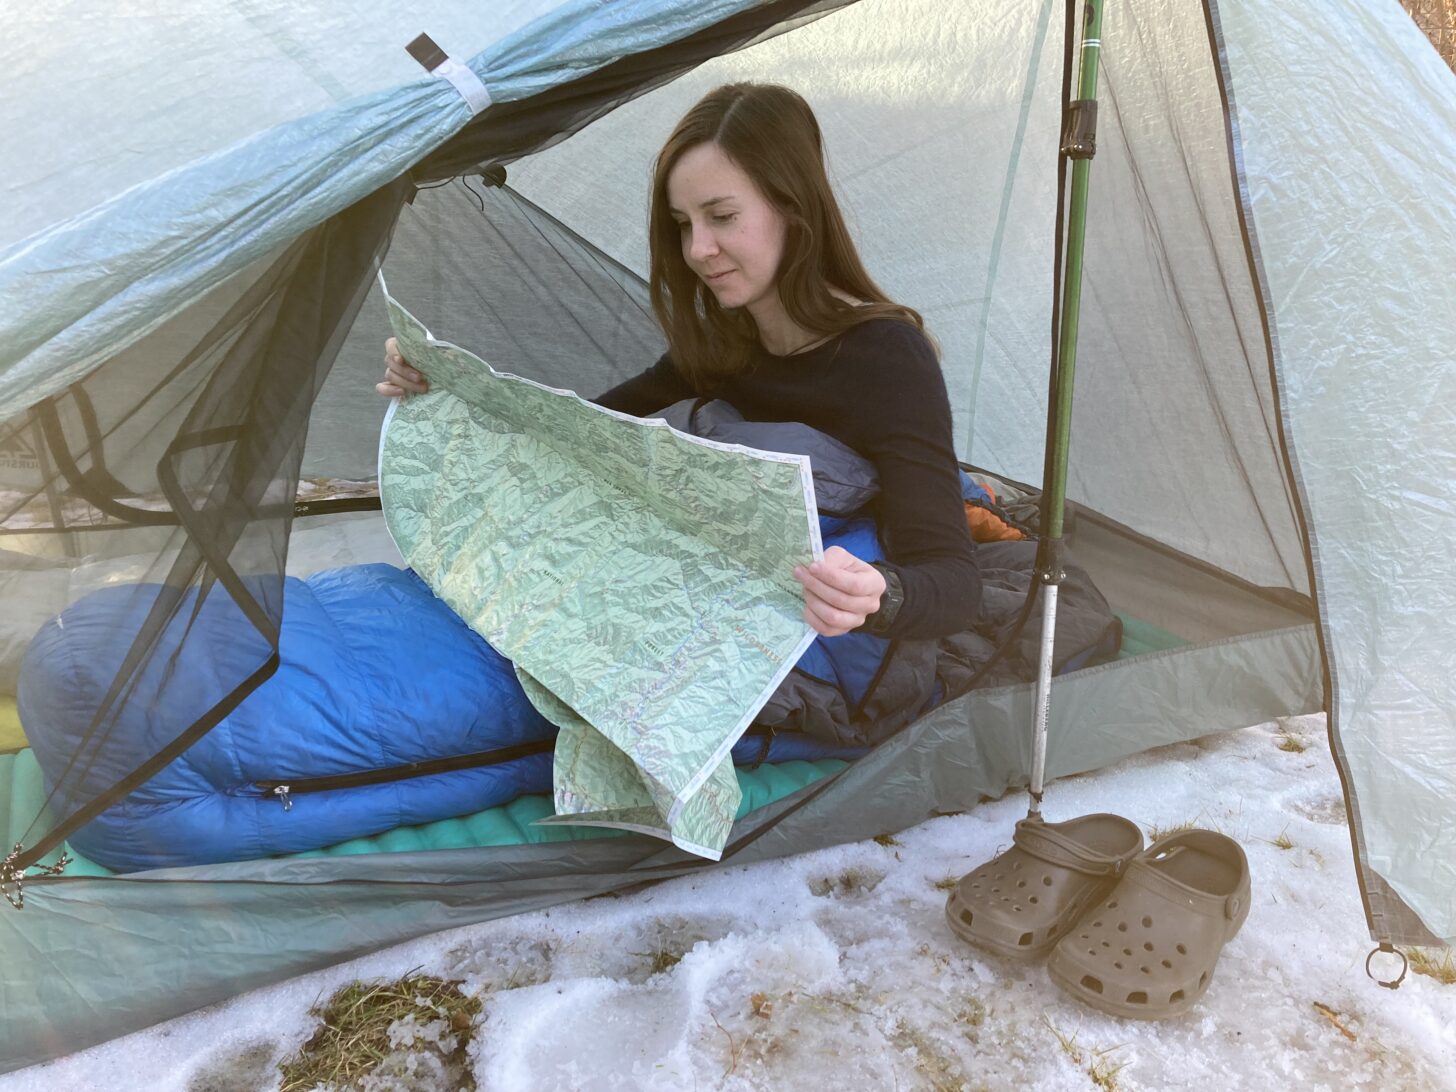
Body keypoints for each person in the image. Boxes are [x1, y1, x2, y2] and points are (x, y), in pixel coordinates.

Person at [379, 82, 979, 640]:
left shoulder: (886, 357)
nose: (697, 250)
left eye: (722, 217)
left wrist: (879, 593)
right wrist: (442, 386)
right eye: (683, 224)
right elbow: (580, 429)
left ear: (793, 209)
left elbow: (954, 583)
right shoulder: (724, 339)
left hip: (803, 635)